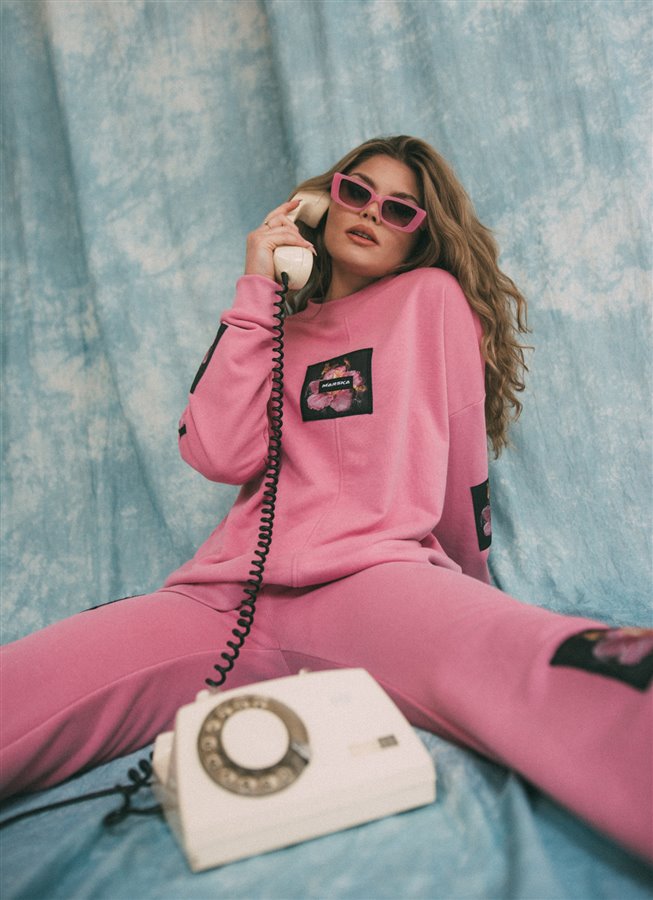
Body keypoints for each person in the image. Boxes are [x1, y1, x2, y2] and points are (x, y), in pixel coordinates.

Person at [1, 136, 651, 860]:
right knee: (23, 685)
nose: (371, 212)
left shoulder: (428, 301)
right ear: (323, 200)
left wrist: (470, 589)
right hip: (223, 600)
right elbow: (218, 454)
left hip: (374, 587)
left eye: (399, 209)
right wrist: (258, 290)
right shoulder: (270, 331)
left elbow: (461, 460)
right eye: (356, 191)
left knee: (575, 669)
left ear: (419, 236)